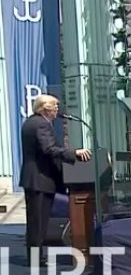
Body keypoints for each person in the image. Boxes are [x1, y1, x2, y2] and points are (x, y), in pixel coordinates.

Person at [19, 94, 91, 265]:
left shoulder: (31, 122)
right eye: (55, 106)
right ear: (45, 108)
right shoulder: (42, 124)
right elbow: (49, 149)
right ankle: (36, 259)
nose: (57, 109)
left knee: (36, 221)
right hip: (40, 179)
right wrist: (74, 153)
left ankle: (35, 257)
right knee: (39, 221)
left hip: (34, 178)